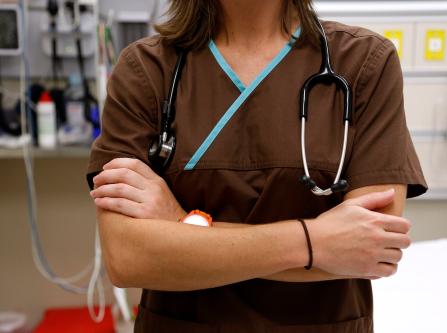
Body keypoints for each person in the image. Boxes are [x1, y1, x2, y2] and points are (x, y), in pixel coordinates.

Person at [87, 0, 427, 332]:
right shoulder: (147, 68)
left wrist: (183, 223)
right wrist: (316, 242)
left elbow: (372, 247)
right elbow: (127, 257)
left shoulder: (364, 63)